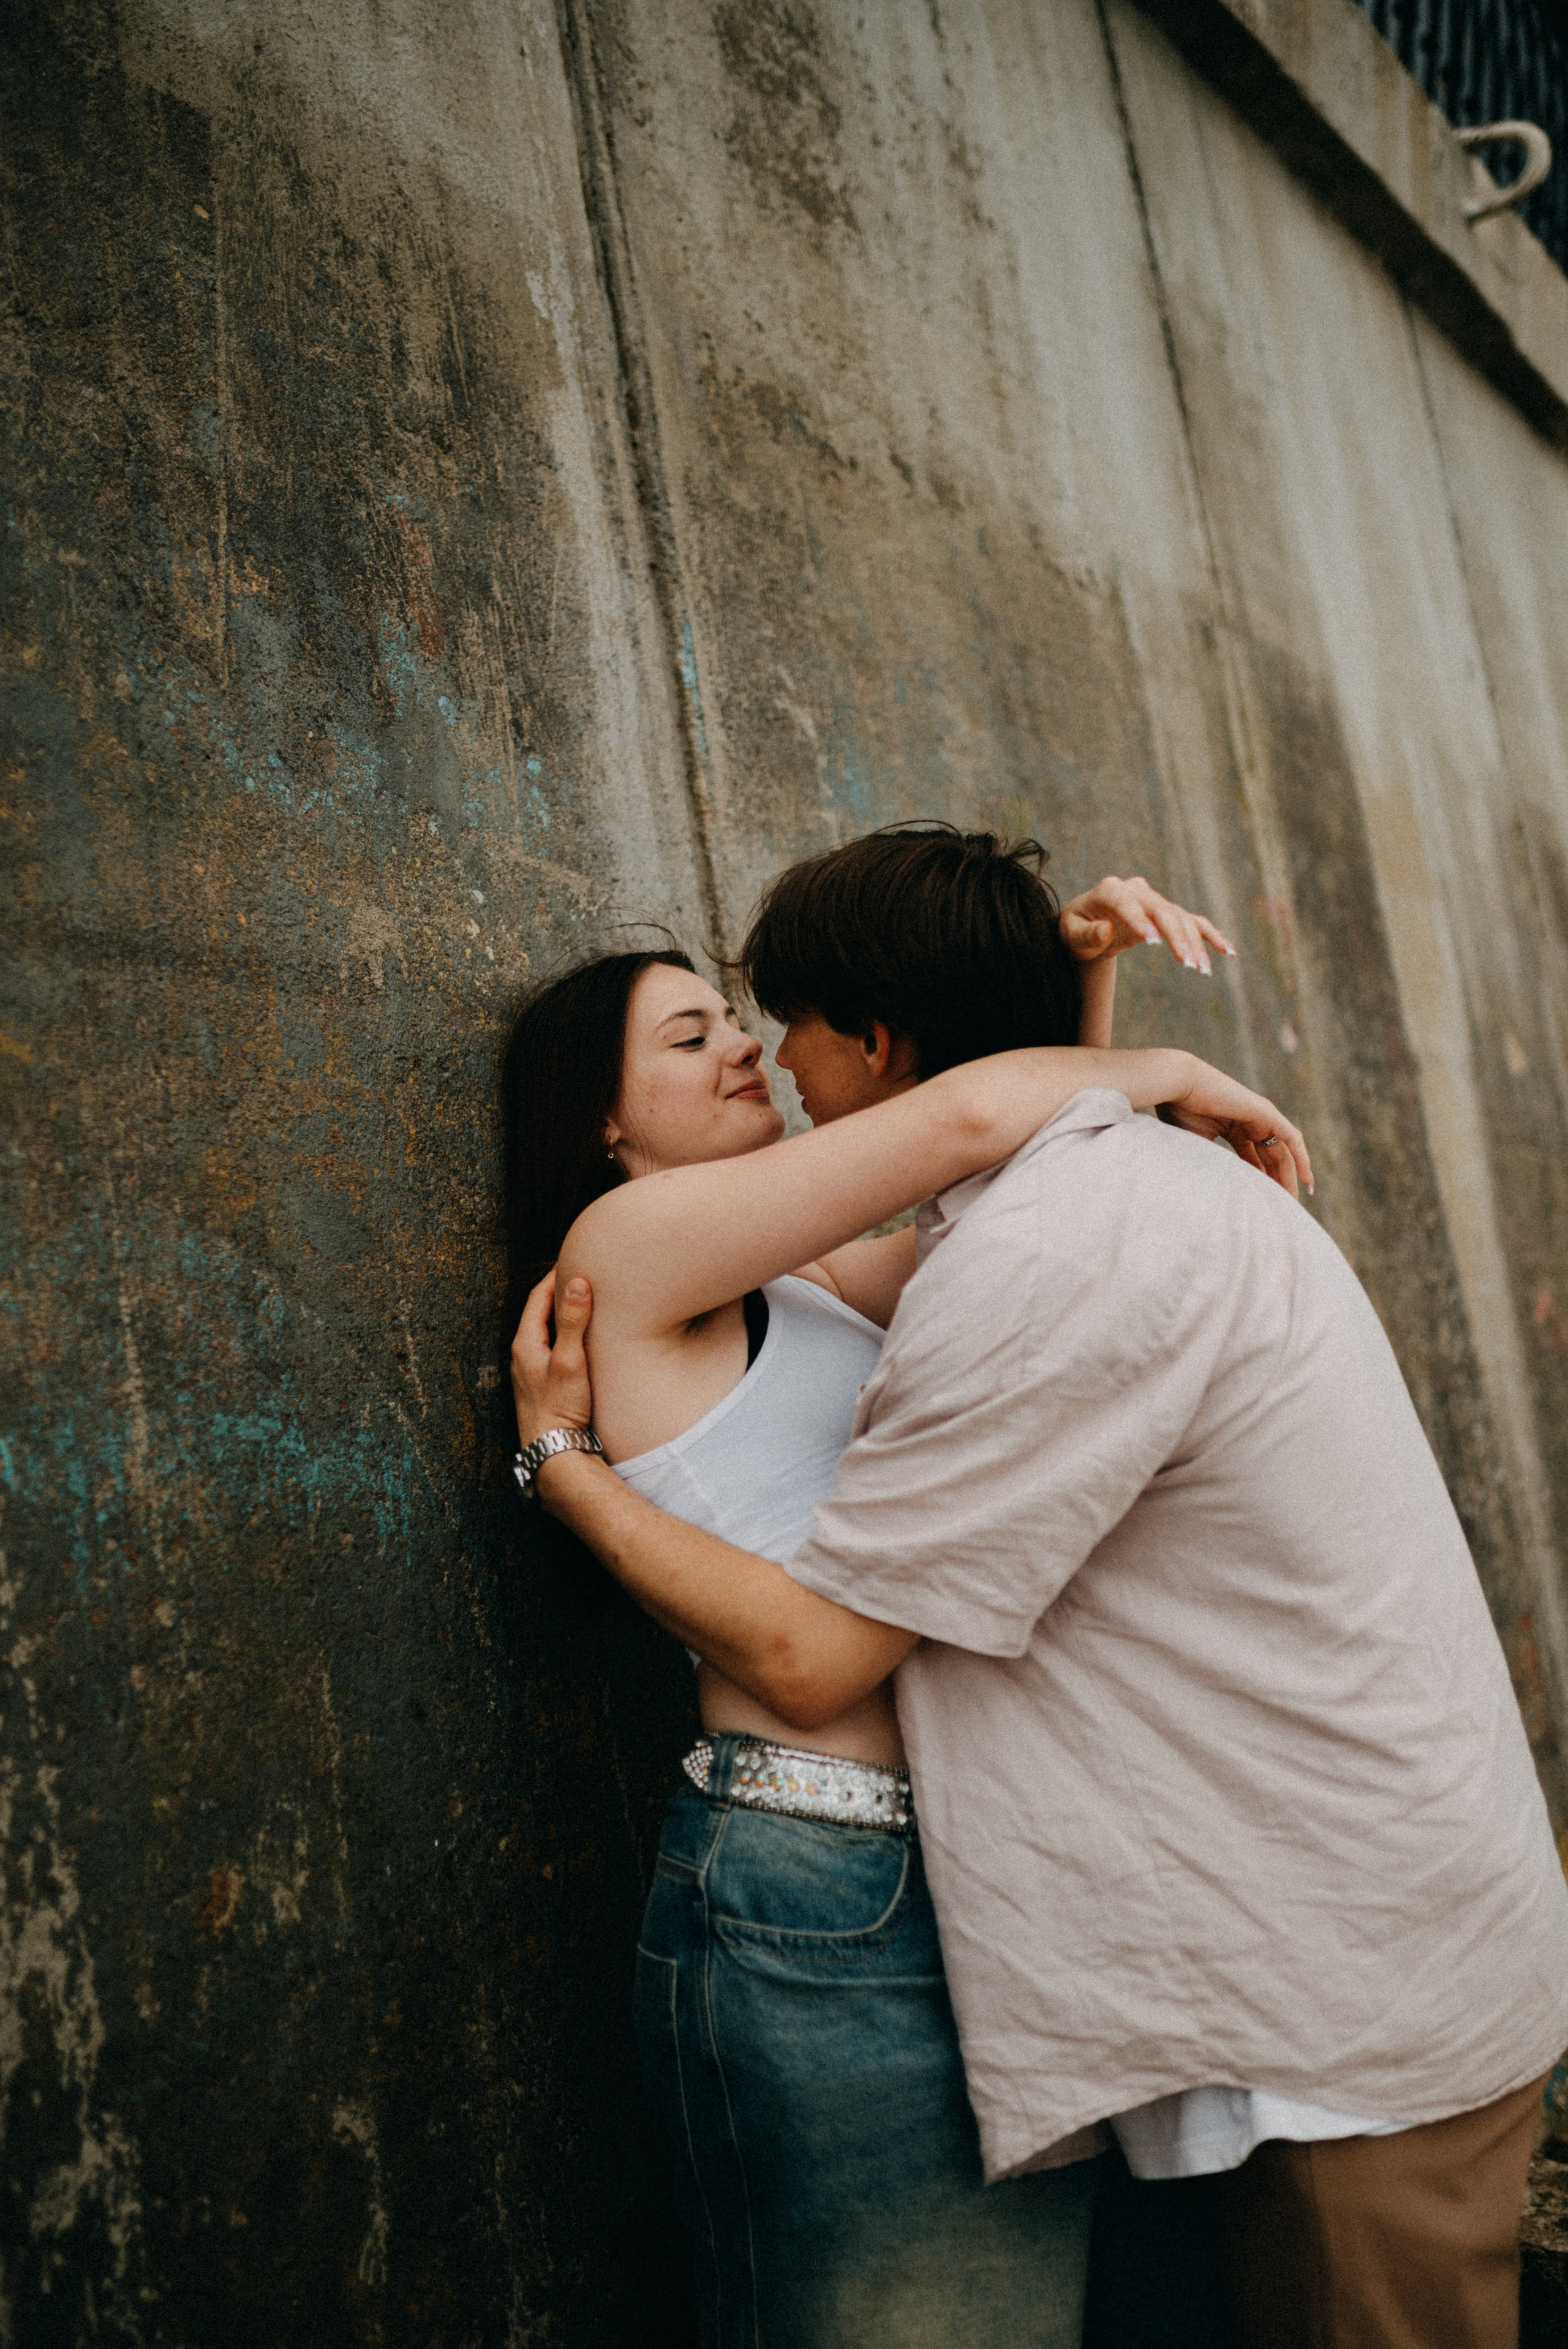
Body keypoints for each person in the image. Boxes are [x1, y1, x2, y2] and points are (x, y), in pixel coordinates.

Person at [514, 827, 1568, 2349]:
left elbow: (1004, 1211)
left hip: (943, 1875)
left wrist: (1061, 1014)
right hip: (808, 1853)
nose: (754, 1051)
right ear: (600, 1121)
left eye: (759, 1019)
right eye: (692, 1035)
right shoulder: (624, 1243)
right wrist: (556, 1462)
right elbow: (972, 1123)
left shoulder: (811, 1275)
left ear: (870, 1036)